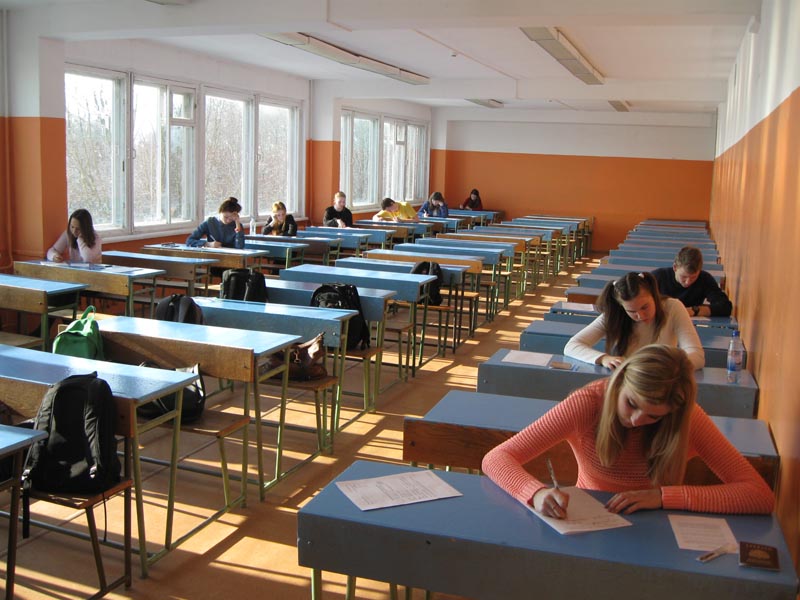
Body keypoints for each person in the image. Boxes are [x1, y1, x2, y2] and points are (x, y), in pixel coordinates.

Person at [482, 344, 775, 518]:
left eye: (653, 416)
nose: (636, 420)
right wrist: (535, 493)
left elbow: (759, 495)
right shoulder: (588, 403)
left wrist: (664, 497)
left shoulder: (687, 418)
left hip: (658, 525)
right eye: (631, 404)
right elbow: (496, 458)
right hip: (588, 519)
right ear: (619, 382)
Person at [564, 272, 705, 370]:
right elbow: (572, 345)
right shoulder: (615, 314)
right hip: (626, 381)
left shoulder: (673, 307)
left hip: (662, 380)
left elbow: (697, 355)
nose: (640, 315)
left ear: (654, 296)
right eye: (631, 311)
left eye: (645, 307)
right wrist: (603, 358)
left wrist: (668, 366)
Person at [652, 246, 733, 317]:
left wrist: (694, 310)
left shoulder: (704, 278)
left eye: (693, 277)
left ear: (699, 271)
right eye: (684, 276)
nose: (688, 282)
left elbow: (725, 306)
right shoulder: (657, 277)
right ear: (675, 267)